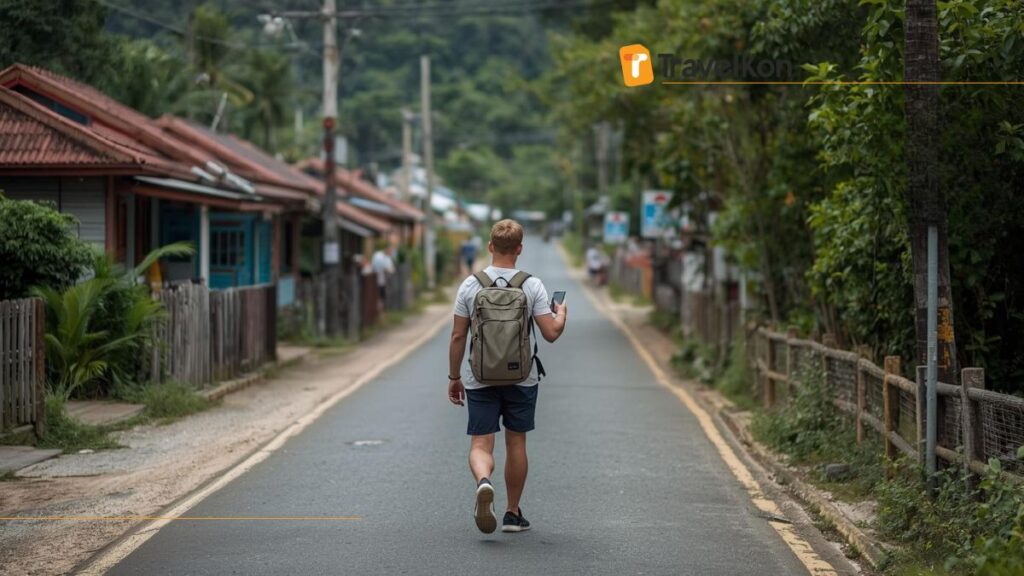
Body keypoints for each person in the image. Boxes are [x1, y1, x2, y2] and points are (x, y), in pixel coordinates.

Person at [448, 219, 568, 534]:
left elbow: (458, 337)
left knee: (481, 442)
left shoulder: (470, 285)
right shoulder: (532, 285)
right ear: (519, 249)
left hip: (480, 376)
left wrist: (453, 377)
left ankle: (484, 481)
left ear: (490, 247)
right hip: (521, 377)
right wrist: (562, 315)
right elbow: (551, 333)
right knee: (516, 441)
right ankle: (512, 514)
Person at [370, 242, 395, 313]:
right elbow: (386, 268)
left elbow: (392, 269)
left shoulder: (388, 258)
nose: (391, 253)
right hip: (376, 281)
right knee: (378, 297)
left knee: (382, 297)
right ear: (387, 249)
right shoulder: (378, 256)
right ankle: (378, 313)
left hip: (383, 282)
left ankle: (381, 313)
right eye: (390, 251)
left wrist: (389, 269)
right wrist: (388, 269)